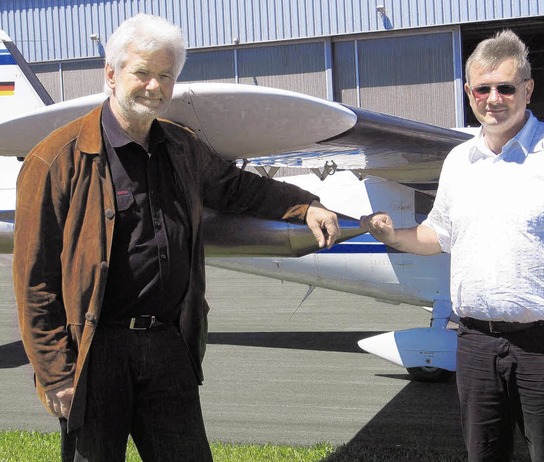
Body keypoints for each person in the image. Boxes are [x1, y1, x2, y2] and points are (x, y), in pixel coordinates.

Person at [13, 14, 340, 461]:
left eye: (165, 76)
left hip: (167, 345)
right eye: (142, 72)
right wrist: (54, 374)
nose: (155, 86)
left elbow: (237, 188)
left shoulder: (182, 147)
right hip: (94, 352)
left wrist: (306, 205)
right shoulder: (56, 161)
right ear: (111, 74)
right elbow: (36, 280)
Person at [361, 30, 544, 461]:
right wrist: (392, 235)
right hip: (476, 343)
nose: (493, 98)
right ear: (468, 92)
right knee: (482, 454)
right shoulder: (459, 161)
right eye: (483, 88)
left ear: (528, 89)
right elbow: (438, 235)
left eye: (506, 88)